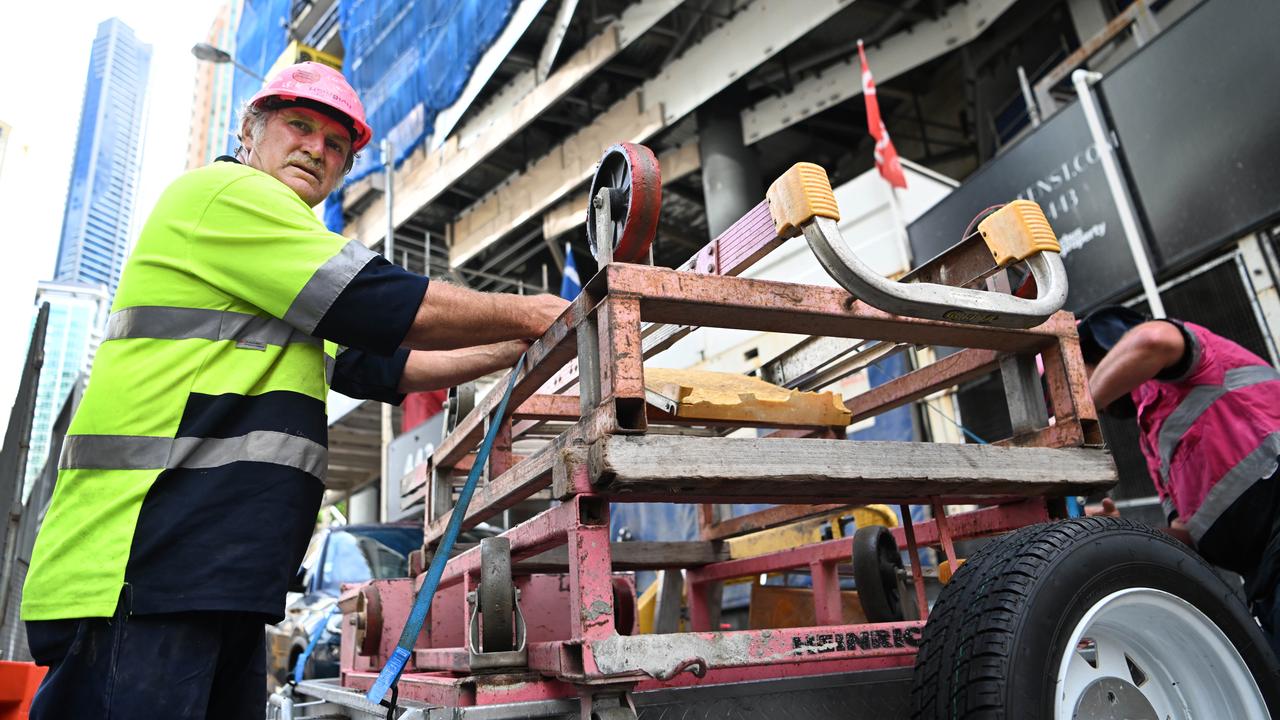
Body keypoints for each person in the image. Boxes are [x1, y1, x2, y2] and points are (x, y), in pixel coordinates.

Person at [19, 62, 569, 718]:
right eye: (299, 126)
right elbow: (379, 302)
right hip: (139, 571)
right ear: (248, 133)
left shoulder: (275, 274)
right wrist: (529, 312)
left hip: (210, 576)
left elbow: (385, 363)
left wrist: (521, 346)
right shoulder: (225, 195)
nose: (317, 148)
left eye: (336, 144)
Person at [1080, 304, 1280, 656]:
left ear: (1108, 346)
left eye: (1079, 376)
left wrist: (1077, 410)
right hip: (1262, 576)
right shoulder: (1153, 438)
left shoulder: (1193, 361)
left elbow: (1152, 339)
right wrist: (1121, 531)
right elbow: (1186, 533)